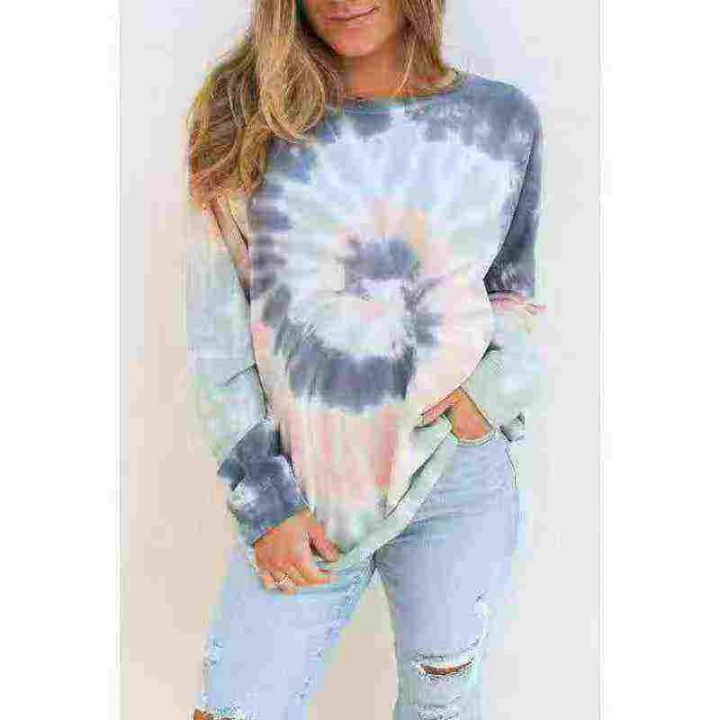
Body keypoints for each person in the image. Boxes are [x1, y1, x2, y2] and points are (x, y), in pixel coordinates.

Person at [184, 1, 546, 717]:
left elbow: (511, 289)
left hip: (455, 479)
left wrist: (492, 392)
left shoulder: (501, 120)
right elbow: (217, 339)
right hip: (308, 490)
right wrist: (265, 500)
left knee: (442, 705)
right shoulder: (245, 123)